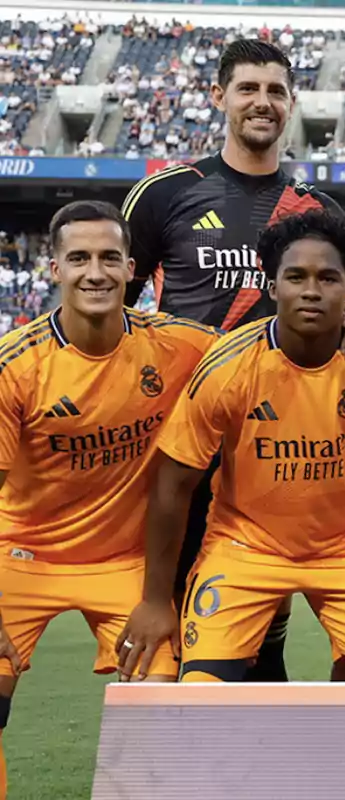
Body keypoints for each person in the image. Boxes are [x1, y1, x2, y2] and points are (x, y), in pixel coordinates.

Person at [120, 40, 345, 682]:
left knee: (265, 625)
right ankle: (180, 768)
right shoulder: (165, 194)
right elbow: (113, 306)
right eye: (248, 89)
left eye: (275, 92)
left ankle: (267, 759)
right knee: (178, 622)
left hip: (275, 442)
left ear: (290, 106)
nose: (262, 102)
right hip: (188, 433)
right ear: (219, 97)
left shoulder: (318, 210)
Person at [117, 210, 345, 684]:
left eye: (328, 278)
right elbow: (172, 486)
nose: (311, 290)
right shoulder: (231, 366)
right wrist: (158, 600)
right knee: (201, 697)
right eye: (295, 276)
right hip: (244, 549)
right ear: (273, 287)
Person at [0, 201, 218, 797]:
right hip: (20, 555)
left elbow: (261, 344)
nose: (94, 272)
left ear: (130, 269)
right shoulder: (15, 366)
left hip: (124, 565)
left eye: (108, 259)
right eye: (79, 259)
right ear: (54, 270)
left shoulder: (177, 345)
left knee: (159, 710)